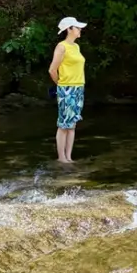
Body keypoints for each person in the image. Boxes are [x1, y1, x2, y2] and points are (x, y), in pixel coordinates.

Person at [49, 17, 87, 164]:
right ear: (69, 29)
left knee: (72, 124)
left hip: (78, 87)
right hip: (67, 88)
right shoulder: (61, 46)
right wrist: (61, 85)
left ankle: (69, 157)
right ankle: (61, 158)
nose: (80, 30)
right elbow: (52, 70)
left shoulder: (76, 47)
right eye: (77, 27)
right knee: (64, 124)